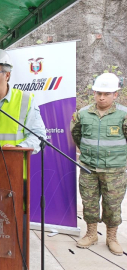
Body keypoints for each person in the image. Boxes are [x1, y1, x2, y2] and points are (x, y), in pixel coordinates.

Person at [71, 73, 126, 256]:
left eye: (107, 94)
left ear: (115, 95)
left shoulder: (123, 115)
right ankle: (91, 234)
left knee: (112, 205)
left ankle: (112, 238)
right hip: (88, 168)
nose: (102, 97)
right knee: (89, 203)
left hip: (114, 171)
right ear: (93, 93)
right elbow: (77, 135)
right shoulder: (83, 114)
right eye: (98, 93)